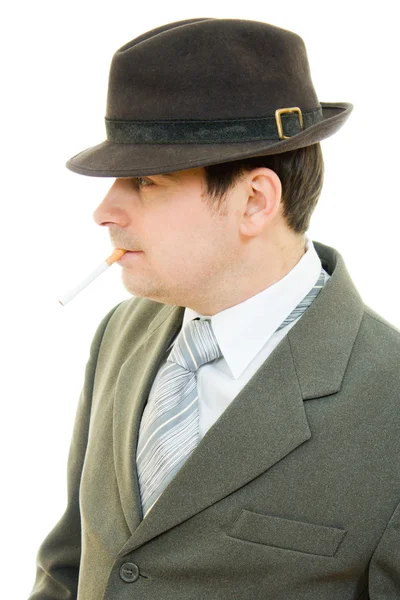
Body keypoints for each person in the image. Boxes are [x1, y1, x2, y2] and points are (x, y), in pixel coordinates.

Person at [28, 17, 400, 600]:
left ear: (254, 201)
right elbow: (68, 564)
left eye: (147, 181)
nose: (104, 210)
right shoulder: (120, 335)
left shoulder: (390, 400)